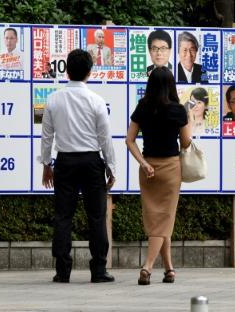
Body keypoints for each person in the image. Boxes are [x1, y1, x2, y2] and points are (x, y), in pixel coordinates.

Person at [41, 49, 116, 284]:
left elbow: (46, 137)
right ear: (89, 72)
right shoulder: (96, 100)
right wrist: (111, 167)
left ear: (67, 71)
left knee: (63, 216)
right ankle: (99, 270)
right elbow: (105, 138)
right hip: (92, 162)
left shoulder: (53, 99)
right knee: (96, 216)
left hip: (65, 161)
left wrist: (46, 164)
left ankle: (62, 271)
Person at [125, 67, 191, 285]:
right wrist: (187, 118)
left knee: (159, 219)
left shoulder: (143, 106)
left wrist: (143, 164)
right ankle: (148, 267)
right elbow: (186, 142)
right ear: (171, 85)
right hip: (171, 170)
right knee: (164, 219)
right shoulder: (179, 110)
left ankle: (170, 269)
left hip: (148, 168)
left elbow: (129, 140)